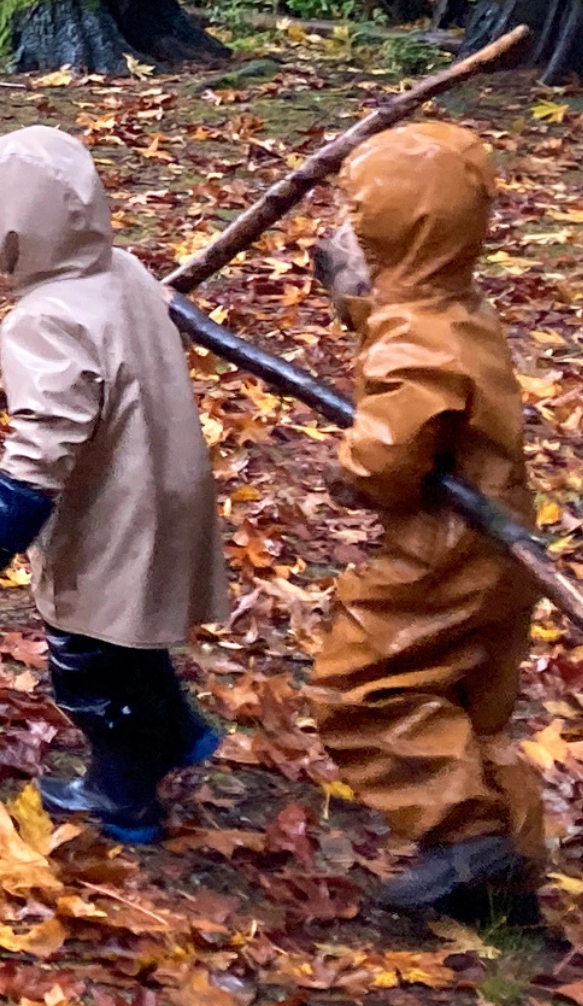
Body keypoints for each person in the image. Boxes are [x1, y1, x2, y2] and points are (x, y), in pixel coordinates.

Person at [0, 126, 229, 843]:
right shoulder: (122, 269)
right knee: (130, 633)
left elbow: (47, 438)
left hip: (114, 507)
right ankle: (178, 731)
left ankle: (122, 793)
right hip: (168, 478)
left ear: (14, 235)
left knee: (90, 660)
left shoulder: (44, 320)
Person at [306, 122, 544, 921]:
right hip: (501, 536)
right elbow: (405, 330)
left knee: (363, 684)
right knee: (469, 701)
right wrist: (356, 290)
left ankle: (465, 834)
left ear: (397, 232)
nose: (341, 231)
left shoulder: (417, 336)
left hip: (445, 549)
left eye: (356, 219)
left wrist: (353, 470)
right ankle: (506, 867)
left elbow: (391, 451)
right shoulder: (453, 306)